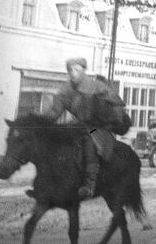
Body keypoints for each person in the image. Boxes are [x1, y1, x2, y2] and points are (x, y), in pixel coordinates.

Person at [43, 57, 129, 198]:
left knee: (89, 139)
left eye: (76, 69)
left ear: (83, 70)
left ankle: (89, 185)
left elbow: (117, 105)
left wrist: (111, 121)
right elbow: (55, 111)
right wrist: (40, 121)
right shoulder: (66, 90)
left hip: (97, 127)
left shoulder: (97, 86)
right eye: (70, 70)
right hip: (79, 125)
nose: (73, 73)